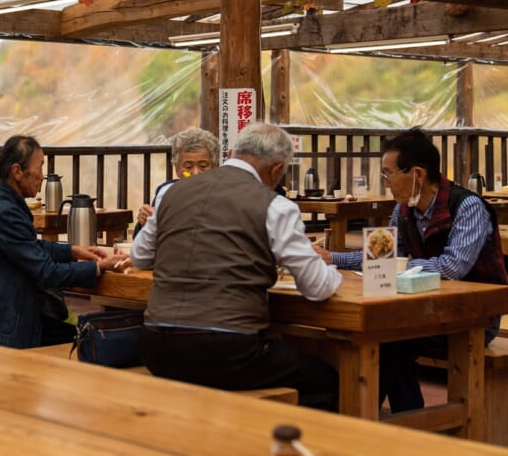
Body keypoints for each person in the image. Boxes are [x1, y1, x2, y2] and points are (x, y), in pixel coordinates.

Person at [131, 123, 343, 410]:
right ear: (276, 168)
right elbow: (317, 288)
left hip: (154, 345)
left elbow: (140, 257)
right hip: (225, 350)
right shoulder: (276, 206)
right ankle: (281, 452)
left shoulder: (170, 194)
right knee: (325, 379)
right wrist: (335, 272)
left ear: (230, 153)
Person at [316, 127, 506, 412]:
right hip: (423, 310)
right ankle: (407, 416)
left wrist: (403, 265)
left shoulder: (466, 206)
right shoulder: (403, 210)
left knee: (389, 339)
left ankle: (361, 417)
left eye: (389, 174)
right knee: (383, 336)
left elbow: (453, 267)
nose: (386, 183)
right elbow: (382, 255)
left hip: (473, 316)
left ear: (417, 174)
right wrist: (332, 258)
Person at [0, 135, 128, 348]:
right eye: (40, 168)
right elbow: (47, 272)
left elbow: (27, 246)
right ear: (17, 171)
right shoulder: (5, 212)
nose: (42, 177)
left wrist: (73, 251)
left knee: (81, 334)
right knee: (90, 341)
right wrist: (97, 267)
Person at [132, 127, 220, 242]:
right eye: (188, 167)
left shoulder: (224, 195)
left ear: (215, 166)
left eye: (203, 166)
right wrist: (144, 224)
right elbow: (141, 244)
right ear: (177, 168)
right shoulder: (166, 193)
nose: (196, 173)